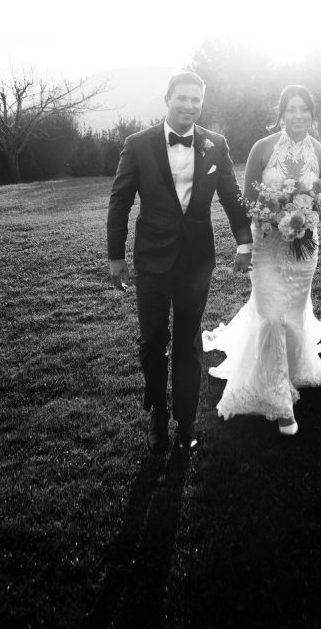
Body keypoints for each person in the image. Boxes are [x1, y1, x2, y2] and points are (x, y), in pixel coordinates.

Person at [107, 72, 253, 455]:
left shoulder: (215, 145)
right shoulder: (137, 145)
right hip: (152, 260)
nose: (189, 105)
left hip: (195, 261)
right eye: (182, 98)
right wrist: (115, 256)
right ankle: (157, 413)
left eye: (196, 100)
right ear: (167, 98)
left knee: (189, 344)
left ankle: (186, 420)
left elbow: (231, 195)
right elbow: (120, 201)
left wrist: (244, 241)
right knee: (153, 341)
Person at [202, 85, 321, 436]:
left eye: (303, 109)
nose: (297, 115)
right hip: (265, 246)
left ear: (311, 113)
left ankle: (289, 367)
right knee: (270, 315)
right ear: (281, 113)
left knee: (289, 316)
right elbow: (246, 200)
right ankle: (279, 403)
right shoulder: (262, 150)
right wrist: (267, 215)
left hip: (304, 250)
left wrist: (308, 217)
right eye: (290, 109)